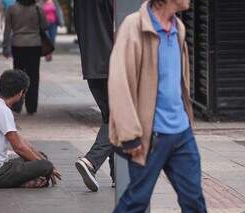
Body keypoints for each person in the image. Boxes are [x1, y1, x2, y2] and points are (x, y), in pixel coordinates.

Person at [108, 0, 207, 212]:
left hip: (181, 134)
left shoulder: (177, 27)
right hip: (150, 137)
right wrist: (130, 135)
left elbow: (179, 81)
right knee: (137, 201)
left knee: (194, 201)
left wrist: (187, 121)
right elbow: (119, 83)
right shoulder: (134, 26)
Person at [0, 70, 61, 188]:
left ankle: (31, 179)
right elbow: (18, 147)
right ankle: (28, 182)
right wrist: (47, 167)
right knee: (45, 166)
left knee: (42, 158)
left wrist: (41, 160)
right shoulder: (2, 110)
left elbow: (22, 142)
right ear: (21, 92)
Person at [74, 0, 114, 192]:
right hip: (113, 65)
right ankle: (91, 161)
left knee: (111, 117)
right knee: (121, 119)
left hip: (91, 66)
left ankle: (118, 175)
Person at [3, 0, 48, 114]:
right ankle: (32, 107)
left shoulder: (12, 9)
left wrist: (5, 47)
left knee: (18, 76)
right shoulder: (38, 8)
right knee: (33, 76)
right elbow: (45, 26)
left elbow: (7, 30)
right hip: (34, 45)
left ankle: (16, 105)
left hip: (18, 45)